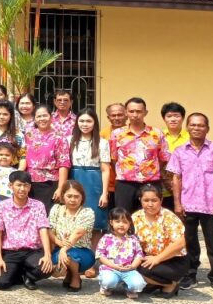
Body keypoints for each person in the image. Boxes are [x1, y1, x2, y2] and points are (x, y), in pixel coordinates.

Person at [168, 112, 213, 294]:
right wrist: (177, 203)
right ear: (188, 127)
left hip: (211, 205)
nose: (196, 128)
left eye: (201, 125)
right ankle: (190, 275)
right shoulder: (179, 151)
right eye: (193, 125)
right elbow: (176, 178)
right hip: (187, 204)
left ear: (207, 128)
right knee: (189, 243)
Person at [0, 171, 53, 291]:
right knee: (0, 283)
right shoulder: (2, 206)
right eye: (19, 185)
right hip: (11, 252)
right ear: (10, 186)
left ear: (30, 187)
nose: (22, 189)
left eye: (26, 185)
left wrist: (47, 254)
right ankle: (18, 273)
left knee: (46, 268)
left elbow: (43, 229)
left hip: (32, 251)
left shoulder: (38, 206)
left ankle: (28, 276)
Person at [111, 98, 169, 213]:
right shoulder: (117, 134)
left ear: (145, 113)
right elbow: (114, 159)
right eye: (131, 111)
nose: (135, 115)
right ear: (126, 113)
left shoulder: (157, 133)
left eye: (138, 111)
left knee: (151, 216)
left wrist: (149, 171)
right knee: (124, 217)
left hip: (150, 183)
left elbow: (163, 158)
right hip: (125, 184)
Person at [132, 185, 189, 297]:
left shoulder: (169, 217)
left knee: (141, 270)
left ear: (161, 200)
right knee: (130, 266)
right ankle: (154, 283)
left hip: (173, 260)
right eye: (146, 200)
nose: (150, 204)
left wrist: (157, 258)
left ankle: (171, 284)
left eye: (154, 200)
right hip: (149, 257)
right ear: (140, 200)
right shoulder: (135, 217)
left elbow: (180, 243)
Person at [69, 109, 111, 247]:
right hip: (75, 180)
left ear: (95, 123)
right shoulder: (69, 140)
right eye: (81, 121)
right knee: (74, 218)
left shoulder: (102, 143)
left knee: (96, 222)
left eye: (88, 121)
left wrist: (104, 193)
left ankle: (93, 256)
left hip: (94, 184)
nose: (85, 124)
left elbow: (105, 169)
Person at [48, 180, 96, 292]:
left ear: (82, 197)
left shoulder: (87, 212)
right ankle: (68, 274)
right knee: (55, 269)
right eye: (69, 196)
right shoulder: (56, 209)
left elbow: (78, 233)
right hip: (59, 248)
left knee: (70, 256)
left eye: (76, 196)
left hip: (82, 251)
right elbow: (49, 229)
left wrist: (64, 249)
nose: (73, 199)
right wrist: (60, 243)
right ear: (63, 196)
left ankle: (75, 278)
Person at [25, 105, 71, 210]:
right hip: (29, 183)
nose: (42, 119)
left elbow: (63, 164)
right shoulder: (29, 135)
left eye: (44, 115)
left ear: (51, 117)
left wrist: (60, 188)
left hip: (49, 184)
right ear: (34, 119)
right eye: (38, 116)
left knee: (47, 214)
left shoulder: (59, 137)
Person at [95, 208, 147, 298]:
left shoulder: (133, 239)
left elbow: (139, 255)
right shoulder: (106, 238)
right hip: (110, 269)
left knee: (138, 284)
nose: (121, 225)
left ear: (129, 224)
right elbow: (100, 255)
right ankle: (107, 287)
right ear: (111, 222)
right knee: (108, 281)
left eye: (125, 222)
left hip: (128, 270)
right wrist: (114, 266)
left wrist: (133, 266)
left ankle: (129, 288)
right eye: (117, 221)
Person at [160, 102, 190, 209]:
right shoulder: (158, 136)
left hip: (186, 186)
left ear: (183, 118)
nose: (173, 119)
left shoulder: (191, 137)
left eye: (176, 116)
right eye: (169, 116)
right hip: (163, 186)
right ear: (164, 118)